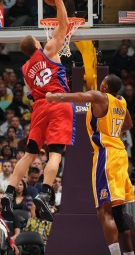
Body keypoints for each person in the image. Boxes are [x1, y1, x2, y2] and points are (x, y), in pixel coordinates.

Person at [1, 0, 74, 222]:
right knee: (55, 153)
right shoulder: (50, 50)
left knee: (30, 153)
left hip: (39, 108)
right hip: (58, 103)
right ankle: (45, 192)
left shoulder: (24, 69)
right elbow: (63, 26)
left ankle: (9, 192)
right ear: (37, 45)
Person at [46, 74, 135, 255]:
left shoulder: (100, 97)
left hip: (106, 155)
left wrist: (54, 97)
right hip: (120, 154)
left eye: (102, 81)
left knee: (104, 210)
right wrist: (112, 131)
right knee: (118, 211)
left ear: (105, 86)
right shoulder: (121, 101)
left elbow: (79, 96)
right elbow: (128, 124)